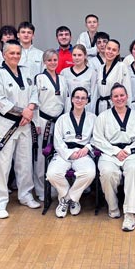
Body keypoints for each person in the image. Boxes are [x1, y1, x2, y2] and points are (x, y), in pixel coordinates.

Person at [0, 41, 39, 219]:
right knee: (1, 165)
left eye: (18, 53)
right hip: (5, 126)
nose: (15, 56)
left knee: (24, 163)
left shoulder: (26, 71)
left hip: (24, 124)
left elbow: (34, 92)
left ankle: (26, 195)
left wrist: (30, 109)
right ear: (4, 55)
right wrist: (21, 111)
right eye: (12, 53)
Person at [93, 83, 135, 231]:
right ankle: (113, 206)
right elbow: (98, 139)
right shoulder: (103, 117)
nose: (119, 98)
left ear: (127, 97)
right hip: (110, 152)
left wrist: (128, 150)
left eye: (122, 95)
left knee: (133, 170)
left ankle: (130, 213)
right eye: (115, 96)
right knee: (107, 172)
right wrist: (115, 151)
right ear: (111, 99)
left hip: (132, 152)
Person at [46, 87, 96, 217]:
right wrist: (68, 153)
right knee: (52, 174)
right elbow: (57, 141)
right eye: (77, 97)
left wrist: (87, 148)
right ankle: (70, 198)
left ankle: (68, 199)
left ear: (87, 101)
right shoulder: (62, 119)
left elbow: (97, 138)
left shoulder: (93, 118)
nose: (80, 100)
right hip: (64, 153)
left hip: (83, 153)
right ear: (72, 99)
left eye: (83, 98)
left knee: (90, 173)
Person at [33, 49, 68, 202]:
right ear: (44, 62)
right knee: (42, 156)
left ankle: (55, 187)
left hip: (59, 121)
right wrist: (35, 122)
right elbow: (34, 101)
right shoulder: (39, 78)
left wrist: (66, 121)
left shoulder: (62, 79)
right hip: (43, 121)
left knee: (58, 154)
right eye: (49, 60)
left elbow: (66, 101)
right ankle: (40, 188)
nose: (52, 63)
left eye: (55, 60)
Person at [93, 39, 132, 116]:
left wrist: (126, 107)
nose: (110, 52)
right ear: (105, 49)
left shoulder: (121, 67)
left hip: (116, 106)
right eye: (108, 48)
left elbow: (127, 89)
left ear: (118, 53)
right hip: (101, 106)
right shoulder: (100, 68)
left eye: (114, 50)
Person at [61, 44, 97, 113]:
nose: (77, 58)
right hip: (69, 110)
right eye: (74, 55)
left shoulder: (92, 73)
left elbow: (94, 96)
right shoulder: (64, 72)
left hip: (86, 110)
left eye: (79, 55)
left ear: (85, 56)